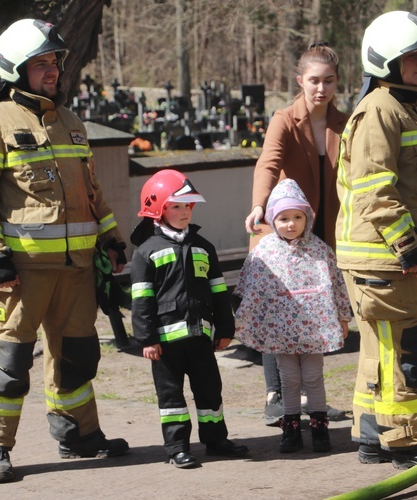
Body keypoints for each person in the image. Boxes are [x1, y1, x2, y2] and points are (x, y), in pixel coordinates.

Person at [0, 19, 130, 483]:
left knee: (76, 357)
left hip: (75, 271)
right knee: (9, 363)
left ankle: (79, 436)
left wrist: (112, 239)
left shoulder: (70, 122)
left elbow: (92, 192)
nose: (52, 70)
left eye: (54, 62)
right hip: (21, 272)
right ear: (16, 69)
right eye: (41, 63)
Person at [335, 11, 417, 470]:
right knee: (403, 353)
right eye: (411, 56)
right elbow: (374, 188)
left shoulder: (407, 109)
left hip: (399, 258)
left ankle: (370, 436)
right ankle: (404, 440)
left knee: (379, 351)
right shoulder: (380, 110)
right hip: (388, 258)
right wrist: (407, 247)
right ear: (386, 61)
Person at [243, 42, 350, 426]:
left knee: (312, 314)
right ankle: (277, 394)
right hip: (284, 227)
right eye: (314, 81)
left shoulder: (345, 122)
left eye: (329, 81)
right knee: (279, 311)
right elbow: (267, 164)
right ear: (299, 81)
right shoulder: (284, 118)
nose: (321, 89)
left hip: (323, 233)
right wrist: (259, 205)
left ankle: (312, 398)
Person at [129, 169, 249, 469]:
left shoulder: (203, 246)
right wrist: (147, 339)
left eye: (188, 206)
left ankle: (216, 440)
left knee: (210, 391)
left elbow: (219, 292)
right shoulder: (146, 252)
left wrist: (225, 328)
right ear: (157, 209)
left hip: (201, 338)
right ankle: (177, 448)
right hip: (166, 345)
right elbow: (141, 300)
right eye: (176, 206)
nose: (184, 212)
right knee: (171, 399)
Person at [234, 179, 351, 453]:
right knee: (288, 379)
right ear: (273, 219)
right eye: (283, 218)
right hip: (281, 332)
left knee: (313, 377)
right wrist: (242, 321)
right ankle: (291, 430)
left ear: (307, 217)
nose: (291, 224)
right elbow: (250, 289)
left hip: (315, 330)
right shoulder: (264, 251)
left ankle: (320, 430)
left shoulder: (320, 249)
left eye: (297, 217)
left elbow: (337, 285)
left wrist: (343, 316)